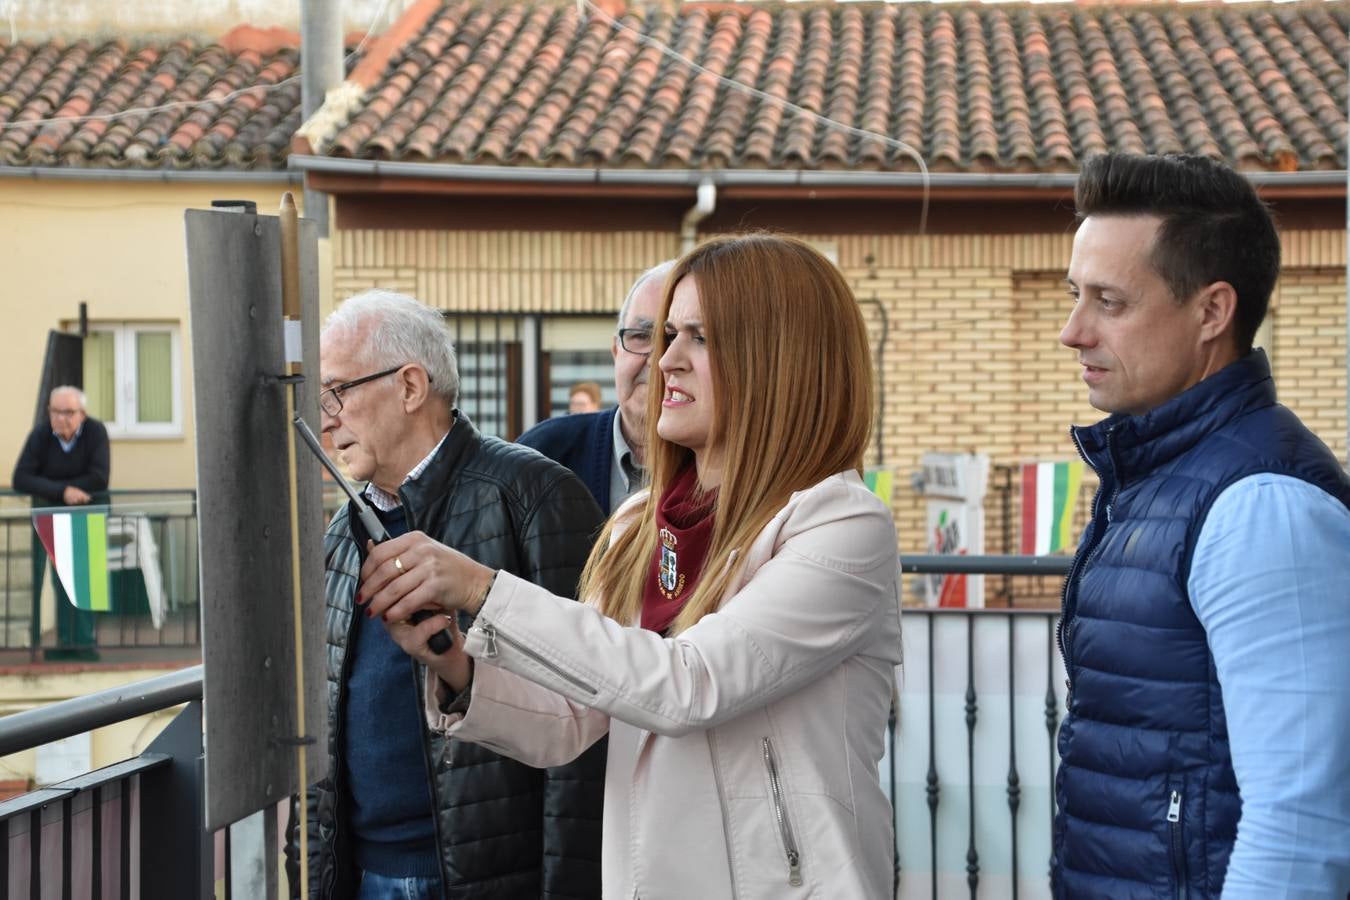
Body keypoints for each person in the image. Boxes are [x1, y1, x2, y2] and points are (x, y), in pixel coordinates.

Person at [361, 235, 904, 898]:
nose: (664, 360)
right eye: (665, 333)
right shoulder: (640, 523)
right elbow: (571, 717)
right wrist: (454, 657)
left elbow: (687, 684)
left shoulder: (842, 526)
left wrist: (481, 586)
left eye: (699, 338)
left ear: (780, 360)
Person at [1052, 153, 1350, 899]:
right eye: (1073, 295)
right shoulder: (1157, 475)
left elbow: (1300, 826)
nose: (1071, 331)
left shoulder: (1263, 507)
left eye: (1109, 302)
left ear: (1212, 311)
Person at [286, 290, 606, 899]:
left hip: (487, 877)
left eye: (336, 393)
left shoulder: (533, 495)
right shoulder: (339, 535)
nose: (325, 418)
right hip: (358, 874)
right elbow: (320, 725)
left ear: (410, 387)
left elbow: (588, 715)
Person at [519, 261, 672, 512]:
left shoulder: (739, 474)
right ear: (615, 351)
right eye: (641, 336)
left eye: (673, 338)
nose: (659, 360)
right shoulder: (544, 454)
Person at [12, 385, 110, 658]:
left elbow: (99, 477)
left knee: (86, 578)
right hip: (52, 517)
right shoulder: (41, 435)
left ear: (82, 414)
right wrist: (63, 492)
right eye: (56, 412)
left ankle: (85, 644)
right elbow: (21, 477)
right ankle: (66, 645)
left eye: (68, 412)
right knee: (60, 580)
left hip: (88, 515)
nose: (61, 418)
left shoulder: (95, 432)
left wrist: (53, 487)